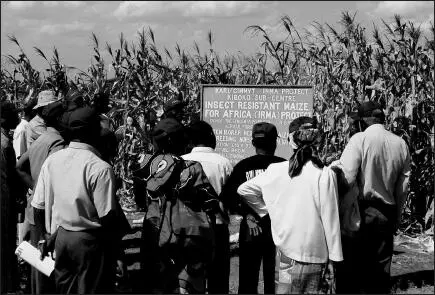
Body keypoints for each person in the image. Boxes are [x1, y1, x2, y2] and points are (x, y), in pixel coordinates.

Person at [237, 116, 343, 294]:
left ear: (291, 141)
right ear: (318, 140)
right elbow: (331, 222)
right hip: (316, 256)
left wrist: (267, 210)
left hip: (285, 255)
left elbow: (244, 190)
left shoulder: (276, 170)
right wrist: (335, 260)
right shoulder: (324, 174)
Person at [31, 106, 130, 294]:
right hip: (88, 241)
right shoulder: (99, 167)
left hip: (60, 238)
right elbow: (107, 217)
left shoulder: (53, 160)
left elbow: (38, 206)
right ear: (94, 132)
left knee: (65, 289)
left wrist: (46, 237)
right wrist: (117, 254)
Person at [134, 118, 221, 294]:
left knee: (156, 284)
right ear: (177, 141)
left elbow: (140, 202)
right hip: (186, 239)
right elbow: (210, 203)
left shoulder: (142, 166)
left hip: (154, 235)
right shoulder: (191, 168)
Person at [333, 101, 411, 294]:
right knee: (380, 273)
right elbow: (403, 188)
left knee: (352, 270)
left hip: (360, 212)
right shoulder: (400, 143)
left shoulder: (359, 139)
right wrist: (397, 217)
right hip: (386, 213)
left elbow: (348, 177)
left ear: (364, 121)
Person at [221, 122, 286, 294]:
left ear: (253, 143)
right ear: (275, 142)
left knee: (248, 280)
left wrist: (247, 215)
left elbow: (228, 197)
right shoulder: (284, 166)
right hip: (279, 231)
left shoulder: (243, 166)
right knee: (276, 279)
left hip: (251, 230)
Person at [16, 101, 67, 294]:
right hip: (47, 210)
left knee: (37, 260)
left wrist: (34, 187)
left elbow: (20, 167)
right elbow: (55, 175)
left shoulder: (40, 139)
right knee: (48, 264)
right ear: (60, 119)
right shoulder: (57, 142)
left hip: (34, 206)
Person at [182, 120, 233, 294]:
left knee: (191, 280)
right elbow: (230, 197)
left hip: (189, 229)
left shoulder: (181, 161)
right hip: (217, 227)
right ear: (211, 137)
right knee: (218, 280)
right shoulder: (224, 163)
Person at [1, 101, 22, 294]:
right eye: (13, 114)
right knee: (6, 242)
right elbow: (12, 174)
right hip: (4, 198)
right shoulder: (5, 142)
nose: (17, 117)